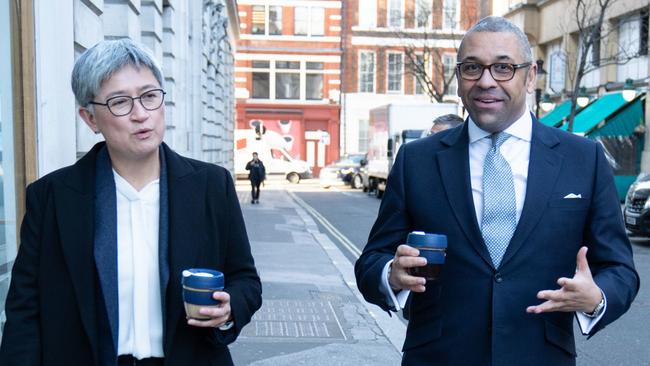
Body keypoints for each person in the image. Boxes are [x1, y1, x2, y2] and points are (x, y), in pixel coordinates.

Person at [355, 16, 639, 366]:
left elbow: (620, 270)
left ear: (530, 75)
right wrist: (391, 274)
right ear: (459, 79)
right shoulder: (418, 160)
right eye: (472, 67)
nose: (486, 81)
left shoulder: (583, 158)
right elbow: (371, 261)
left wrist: (596, 298)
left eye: (503, 67)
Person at [0, 39, 262, 366]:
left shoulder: (210, 186)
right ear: (90, 118)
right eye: (120, 102)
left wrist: (228, 309)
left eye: (150, 96)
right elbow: (25, 310)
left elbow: (245, 281)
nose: (141, 114)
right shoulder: (53, 196)